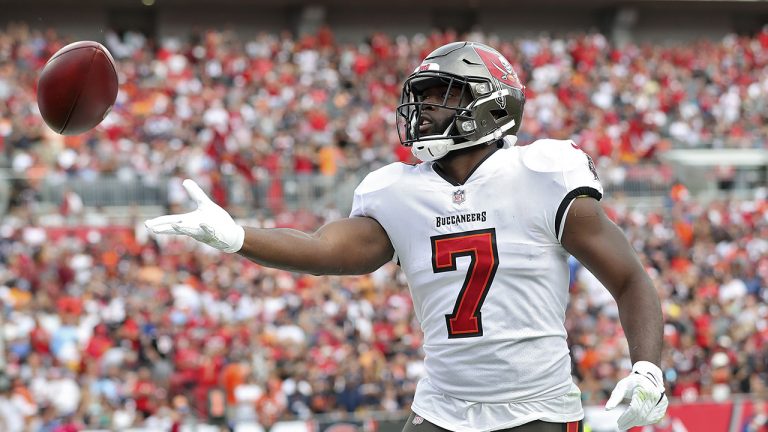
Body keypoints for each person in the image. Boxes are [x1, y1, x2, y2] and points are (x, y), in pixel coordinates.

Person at [146, 41, 668, 432]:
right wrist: (240, 236)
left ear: (491, 103)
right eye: (420, 97)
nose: (424, 110)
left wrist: (646, 371)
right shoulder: (397, 191)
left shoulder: (542, 172)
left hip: (538, 411)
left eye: (441, 95)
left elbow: (629, 279)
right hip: (439, 411)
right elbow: (326, 250)